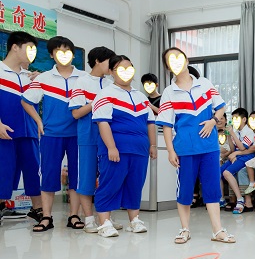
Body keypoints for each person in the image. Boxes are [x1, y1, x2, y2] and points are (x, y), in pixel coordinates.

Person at [156, 47, 235, 244]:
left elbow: (221, 107)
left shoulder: (205, 84)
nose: (176, 61)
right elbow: (166, 125)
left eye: (178, 57)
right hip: (185, 149)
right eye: (170, 60)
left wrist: (213, 121)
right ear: (168, 67)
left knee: (212, 189)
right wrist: (170, 151)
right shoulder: (169, 93)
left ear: (186, 60)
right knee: (185, 191)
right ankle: (184, 230)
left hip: (209, 148)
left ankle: (218, 231)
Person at [22, 36, 85, 232]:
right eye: (59, 51)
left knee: (76, 177)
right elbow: (26, 101)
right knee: (48, 175)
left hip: (78, 135)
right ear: (51, 55)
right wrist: (39, 121)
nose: (64, 55)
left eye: (67, 51)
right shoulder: (43, 79)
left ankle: (74, 216)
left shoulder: (83, 78)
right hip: (51, 134)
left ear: (72, 54)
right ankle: (46, 217)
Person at [91, 55, 157, 237]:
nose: (126, 73)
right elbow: (103, 122)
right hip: (116, 150)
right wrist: (111, 147)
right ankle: (104, 223)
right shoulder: (105, 94)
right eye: (121, 69)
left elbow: (150, 123)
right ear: (111, 72)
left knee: (135, 185)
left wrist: (152, 145)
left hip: (140, 150)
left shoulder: (141, 97)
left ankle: (134, 220)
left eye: (129, 68)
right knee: (110, 184)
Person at [69, 46, 117, 233]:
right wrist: (96, 101)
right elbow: (76, 113)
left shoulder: (111, 84)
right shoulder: (82, 82)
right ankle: (89, 219)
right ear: (97, 61)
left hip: (108, 138)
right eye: (109, 62)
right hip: (88, 136)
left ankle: (105, 218)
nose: (112, 66)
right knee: (87, 178)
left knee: (108, 178)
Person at [0, 31, 43, 225]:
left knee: (33, 169)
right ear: (15, 47)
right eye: (30, 48)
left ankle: (38, 208)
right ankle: (1, 206)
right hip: (6, 129)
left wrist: (41, 81)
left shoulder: (30, 77)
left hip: (29, 131)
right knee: (4, 169)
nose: (32, 54)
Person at [220, 107, 255, 214]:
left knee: (227, 173)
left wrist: (232, 134)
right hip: (237, 156)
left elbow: (242, 148)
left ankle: (240, 199)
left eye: (236, 118)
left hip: (247, 157)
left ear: (244, 119)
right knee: (219, 172)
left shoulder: (249, 132)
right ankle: (221, 199)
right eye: (233, 119)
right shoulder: (236, 132)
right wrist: (229, 136)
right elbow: (232, 149)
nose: (234, 121)